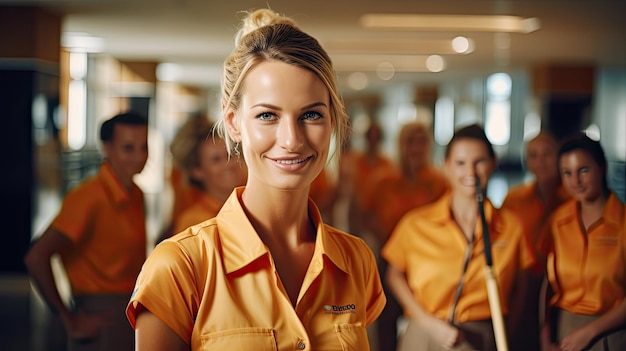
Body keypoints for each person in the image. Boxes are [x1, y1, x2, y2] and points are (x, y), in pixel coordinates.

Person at [126, 8, 386, 351]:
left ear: (333, 121)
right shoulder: (179, 267)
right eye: (267, 115)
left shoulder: (356, 261)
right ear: (233, 122)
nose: (292, 140)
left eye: (311, 114)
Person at [382, 124, 536, 351]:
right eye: (461, 163)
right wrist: (428, 322)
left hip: (483, 337)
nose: (471, 172)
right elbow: (394, 274)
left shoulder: (511, 227)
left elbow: (522, 288)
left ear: (493, 164)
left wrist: (505, 331)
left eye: (479, 162)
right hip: (424, 333)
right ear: (446, 166)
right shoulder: (416, 224)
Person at [24, 111, 149, 351]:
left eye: (144, 147)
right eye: (128, 148)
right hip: (101, 318)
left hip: (129, 310)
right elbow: (36, 257)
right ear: (107, 148)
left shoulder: (136, 193)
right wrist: (68, 320)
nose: (139, 156)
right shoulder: (88, 198)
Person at [541, 132, 626, 351]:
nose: (575, 181)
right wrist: (545, 337)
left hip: (612, 334)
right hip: (565, 334)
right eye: (567, 173)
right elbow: (546, 285)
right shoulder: (558, 220)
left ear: (602, 167)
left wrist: (591, 331)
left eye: (584, 170)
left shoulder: (623, 222)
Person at [370, 121, 449, 351]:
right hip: (389, 255)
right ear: (400, 145)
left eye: (421, 141)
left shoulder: (439, 182)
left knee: (422, 312)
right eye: (410, 141)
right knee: (385, 316)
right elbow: (364, 214)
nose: (416, 147)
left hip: (426, 260)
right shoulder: (382, 181)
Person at [500, 131, 570, 351]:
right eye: (533, 155)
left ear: (559, 157)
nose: (540, 161)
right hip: (524, 282)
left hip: (563, 284)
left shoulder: (573, 198)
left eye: (547, 154)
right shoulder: (514, 199)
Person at [166, 116, 247, 235]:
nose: (229, 164)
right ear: (197, 171)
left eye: (231, 154)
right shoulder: (194, 223)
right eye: (216, 160)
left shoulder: (249, 206)